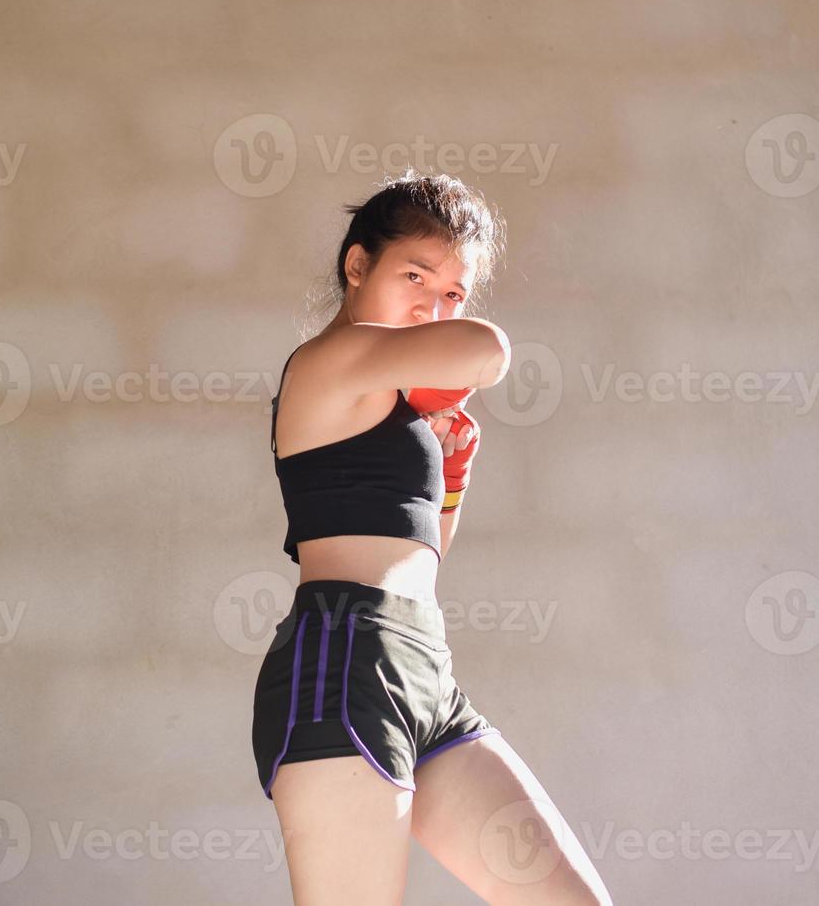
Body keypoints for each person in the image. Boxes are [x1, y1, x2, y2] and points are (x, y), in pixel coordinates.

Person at [251, 171, 613, 904]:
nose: (434, 304)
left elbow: (420, 560)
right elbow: (488, 352)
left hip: (425, 671)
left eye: (454, 292)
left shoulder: (386, 396)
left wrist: (449, 477)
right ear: (358, 267)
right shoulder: (330, 361)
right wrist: (436, 379)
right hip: (342, 666)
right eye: (415, 276)